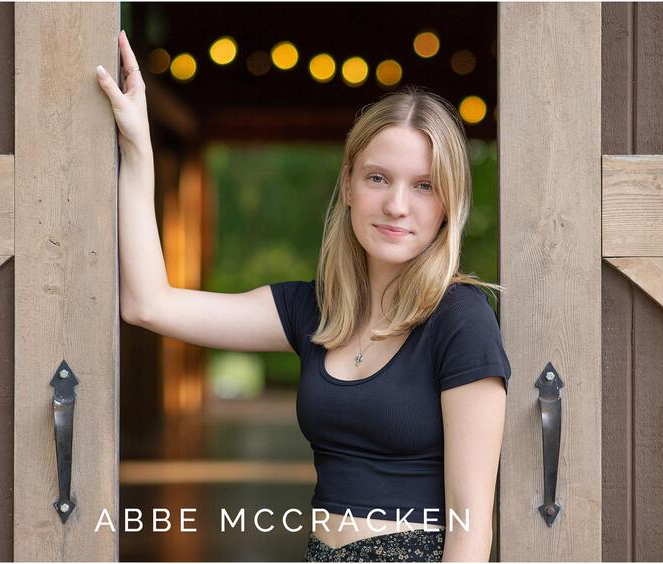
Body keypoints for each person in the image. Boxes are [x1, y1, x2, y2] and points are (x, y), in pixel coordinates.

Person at [97, 30, 510, 563]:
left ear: (448, 202)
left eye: (424, 185)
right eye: (378, 178)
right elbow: (147, 304)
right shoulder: (313, 310)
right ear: (349, 182)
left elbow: (472, 527)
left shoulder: (461, 320)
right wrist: (137, 147)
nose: (397, 205)